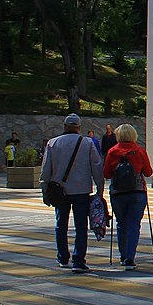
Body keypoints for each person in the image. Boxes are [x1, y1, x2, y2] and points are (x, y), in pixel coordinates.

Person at [41, 113, 104, 273]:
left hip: (59, 191)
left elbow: (46, 170)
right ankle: (78, 260)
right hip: (81, 190)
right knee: (81, 226)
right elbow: (97, 167)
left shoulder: (52, 143)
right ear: (79, 128)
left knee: (60, 224)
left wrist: (44, 192)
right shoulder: (87, 143)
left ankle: (62, 258)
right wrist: (100, 190)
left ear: (64, 126)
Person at [102, 123, 153, 270]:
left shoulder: (112, 152)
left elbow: (106, 174)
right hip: (137, 192)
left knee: (121, 224)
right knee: (133, 224)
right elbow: (148, 172)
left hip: (118, 193)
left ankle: (123, 255)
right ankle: (130, 258)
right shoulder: (139, 151)